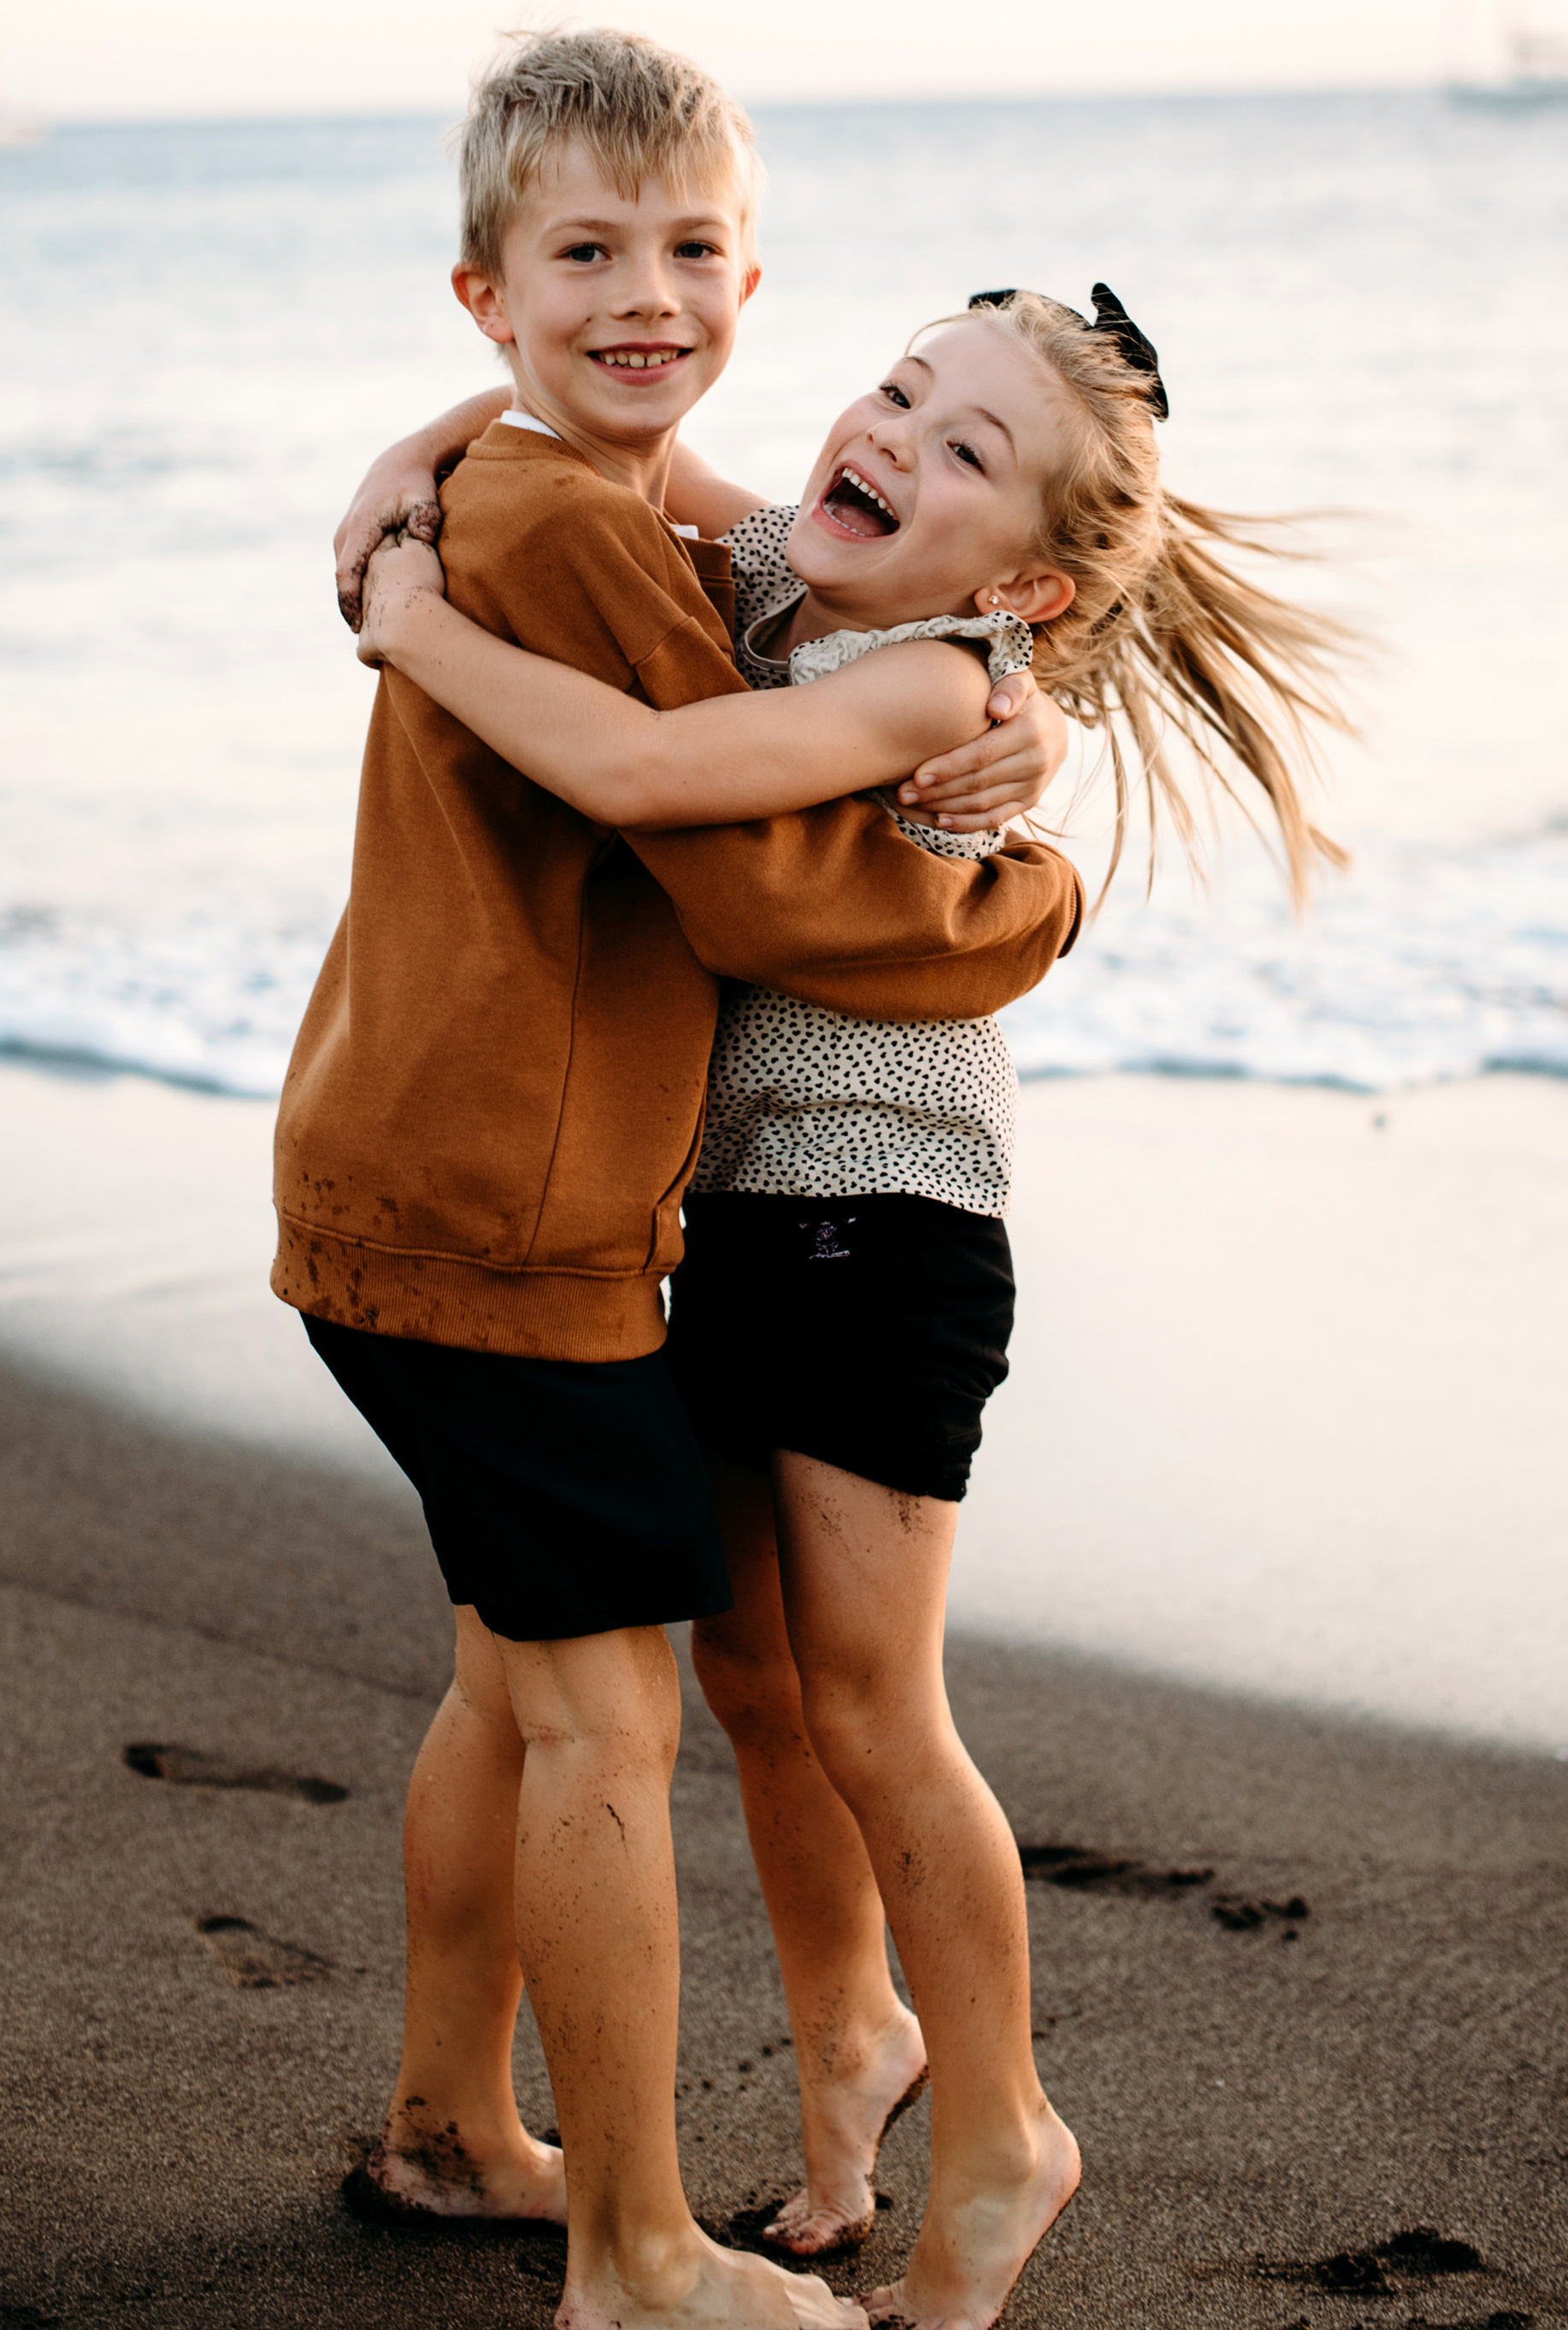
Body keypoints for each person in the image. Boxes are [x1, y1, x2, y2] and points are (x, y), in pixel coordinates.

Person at [348, 280, 1354, 2330]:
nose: (892, 435)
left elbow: (645, 776)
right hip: (717, 1221)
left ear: (1029, 587)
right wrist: (402, 463)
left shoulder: (934, 682)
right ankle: (849, 2049)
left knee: (877, 1711)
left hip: (880, 1230)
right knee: (752, 1689)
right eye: (898, 390)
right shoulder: (763, 573)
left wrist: (414, 625)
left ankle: (1003, 2134)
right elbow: (594, 432)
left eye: (965, 448)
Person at [277, 28, 1083, 2330]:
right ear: (490, 286)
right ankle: (634, 2249)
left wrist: (435, 449)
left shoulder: (585, 509)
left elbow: (694, 556)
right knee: (605, 1715)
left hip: (493, 1175)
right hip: (519, 1205)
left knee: (533, 1687)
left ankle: (463, 2122)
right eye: (588, 256)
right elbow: (738, 874)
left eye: (694, 249)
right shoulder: (575, 539)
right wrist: (1028, 909)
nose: (649, 294)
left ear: (752, 273)